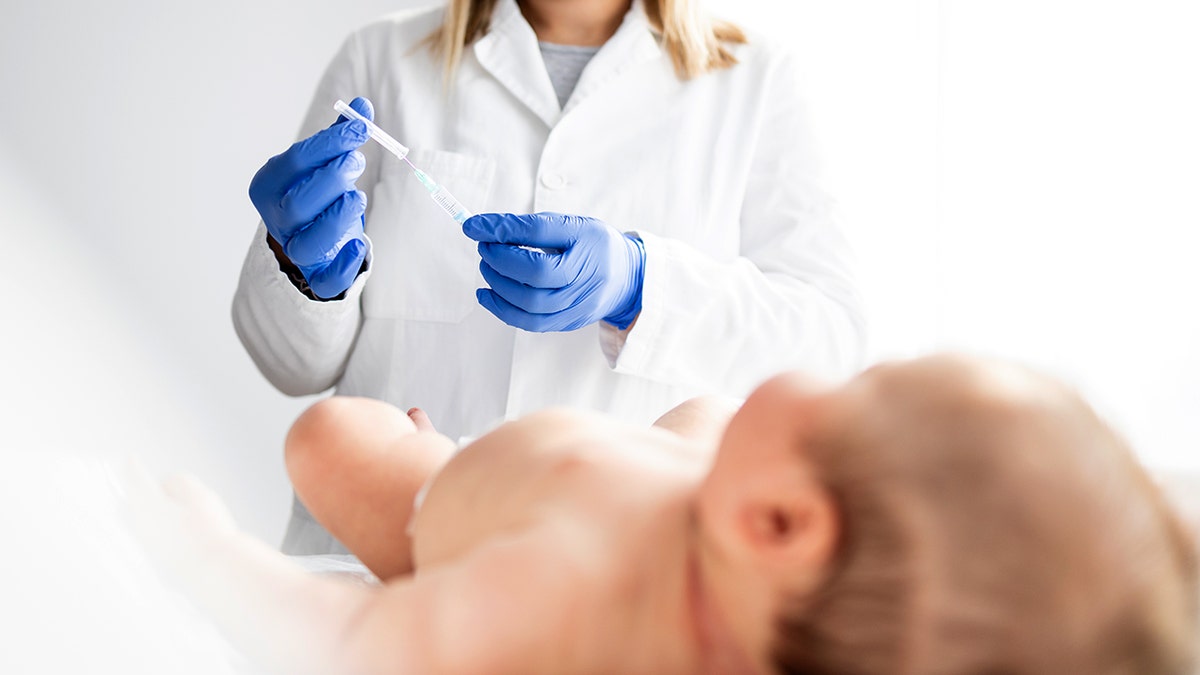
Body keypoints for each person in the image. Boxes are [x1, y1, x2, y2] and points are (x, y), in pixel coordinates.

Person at [232, 0, 866, 554]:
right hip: (376, 569)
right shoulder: (383, 57)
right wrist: (301, 271)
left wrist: (642, 284)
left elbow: (828, 342)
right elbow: (290, 367)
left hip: (613, 584)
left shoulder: (758, 80)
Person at [129, 354, 1198, 675]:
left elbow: (349, 640)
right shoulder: (765, 585)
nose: (837, 372)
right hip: (670, 488)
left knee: (329, 439)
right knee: (705, 413)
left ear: (780, 525)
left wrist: (207, 552)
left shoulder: (552, 591)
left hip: (450, 503)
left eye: (864, 387)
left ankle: (432, 465)